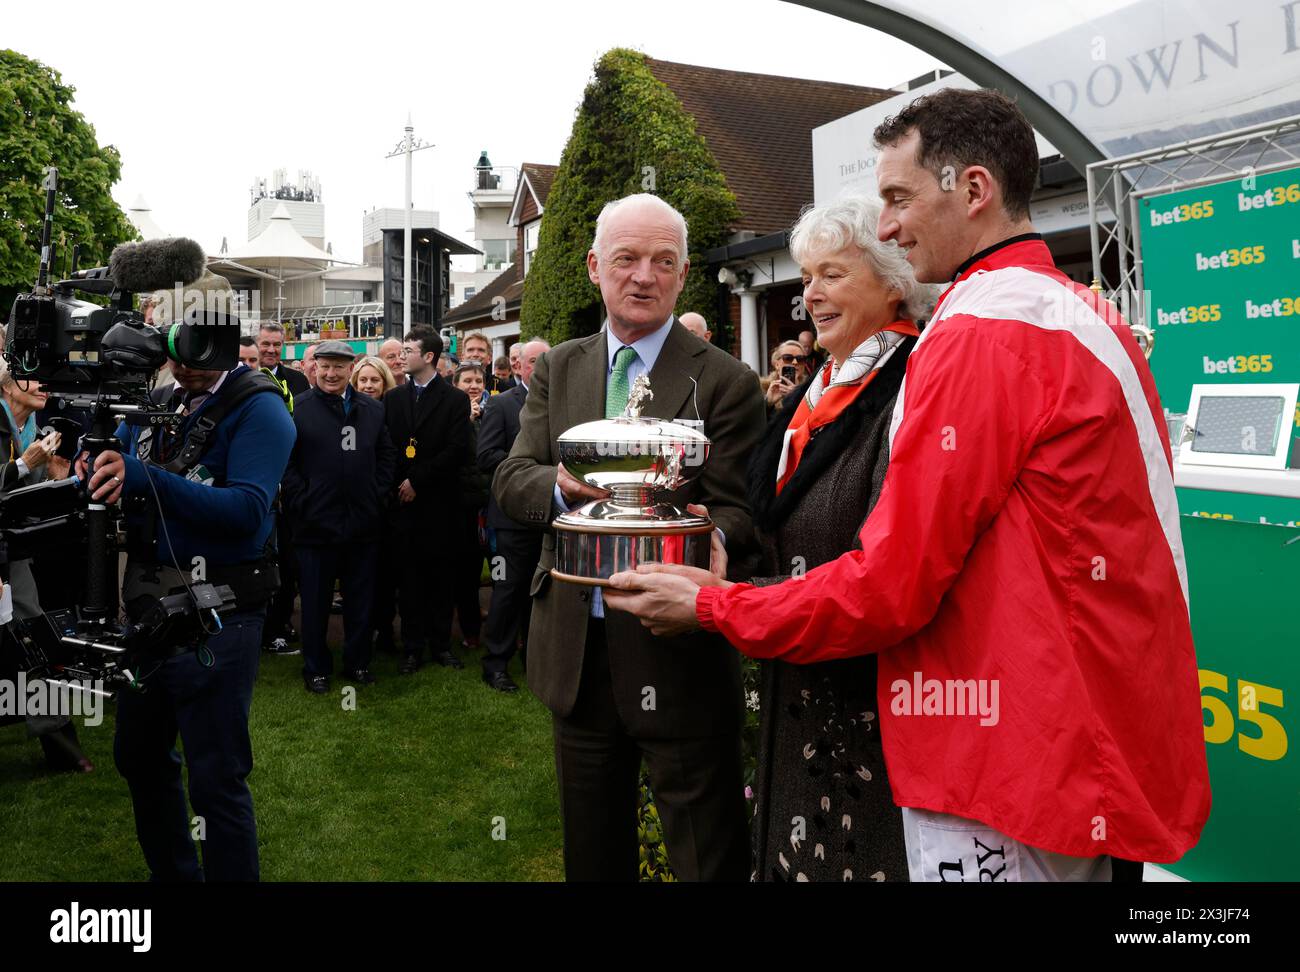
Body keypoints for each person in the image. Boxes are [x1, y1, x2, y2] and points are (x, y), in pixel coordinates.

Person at [605, 88, 1211, 883]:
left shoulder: (985, 331)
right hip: (1075, 743)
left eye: (897, 198)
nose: (886, 224)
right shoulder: (1065, 309)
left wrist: (714, 604)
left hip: (1022, 759)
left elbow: (890, 585)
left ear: (973, 191)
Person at [493, 193, 765, 881]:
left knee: (708, 860)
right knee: (594, 860)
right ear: (594, 267)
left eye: (662, 262)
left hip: (680, 656)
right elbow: (513, 477)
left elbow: (738, 511)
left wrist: (717, 547)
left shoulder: (725, 381)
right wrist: (561, 486)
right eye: (627, 259)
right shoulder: (561, 367)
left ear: (682, 274)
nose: (644, 275)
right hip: (576, 658)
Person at [77, 269, 296, 881]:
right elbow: (113, 464)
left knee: (216, 778)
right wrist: (94, 469)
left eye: (203, 349)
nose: (188, 366)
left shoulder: (261, 409)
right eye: (178, 347)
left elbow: (249, 513)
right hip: (149, 609)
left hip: (220, 614)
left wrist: (145, 478)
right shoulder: (158, 399)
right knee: (139, 758)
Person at [753, 198, 936, 881]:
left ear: (893, 280)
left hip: (870, 707)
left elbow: (888, 572)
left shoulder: (914, 384)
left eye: (831, 274)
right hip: (796, 687)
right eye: (806, 277)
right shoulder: (820, 385)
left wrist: (731, 601)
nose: (812, 295)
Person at [281, 341, 395, 693]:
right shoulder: (298, 409)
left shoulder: (372, 411)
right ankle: (316, 669)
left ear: (351, 369)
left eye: (339, 367)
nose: (331, 374)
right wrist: (305, 501)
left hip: (362, 525)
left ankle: (358, 664)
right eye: (325, 366)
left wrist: (374, 497)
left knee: (360, 602)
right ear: (314, 367)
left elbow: (387, 456)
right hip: (315, 527)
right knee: (314, 604)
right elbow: (286, 463)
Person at [0, 362, 90, 773]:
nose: (42, 386)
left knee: (31, 638)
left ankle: (63, 749)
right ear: (7, 386)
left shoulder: (34, 429)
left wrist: (62, 474)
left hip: (12, 553)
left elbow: (32, 491)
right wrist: (22, 465)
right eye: (32, 378)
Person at [384, 325, 472, 674]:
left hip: (439, 504)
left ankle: (441, 645)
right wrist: (401, 482)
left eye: (408, 350)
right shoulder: (393, 399)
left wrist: (417, 480)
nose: (402, 356)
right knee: (409, 581)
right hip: (403, 508)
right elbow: (388, 446)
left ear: (429, 357)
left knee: (440, 578)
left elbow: (457, 449)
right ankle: (412, 647)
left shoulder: (455, 399)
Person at [477, 337, 549, 693]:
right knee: (507, 591)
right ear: (518, 365)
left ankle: (534, 662)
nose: (540, 366)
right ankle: (495, 664)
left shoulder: (559, 403)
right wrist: (529, 473)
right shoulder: (503, 405)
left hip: (550, 515)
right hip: (510, 518)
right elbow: (486, 455)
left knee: (544, 592)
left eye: (546, 360)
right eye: (533, 360)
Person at [451, 361, 491, 655]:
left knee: (495, 571)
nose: (474, 385)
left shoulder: (493, 413)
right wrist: (465, 420)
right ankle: (470, 631)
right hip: (461, 507)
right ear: (456, 384)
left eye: (478, 380)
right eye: (467, 380)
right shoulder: (452, 416)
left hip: (490, 505)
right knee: (465, 572)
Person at [256, 322, 309, 400]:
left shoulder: (299, 380)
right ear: (255, 345)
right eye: (266, 344)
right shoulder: (243, 379)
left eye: (276, 344)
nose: (271, 350)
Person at [760, 339, 811, 413]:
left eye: (800, 359)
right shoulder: (763, 388)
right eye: (788, 358)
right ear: (777, 364)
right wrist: (767, 403)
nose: (795, 362)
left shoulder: (811, 389)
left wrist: (796, 397)